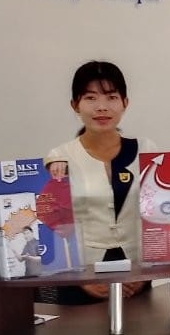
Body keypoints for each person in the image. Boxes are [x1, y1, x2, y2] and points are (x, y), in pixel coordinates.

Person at [45, 61, 155, 300]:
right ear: (75, 105)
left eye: (111, 97)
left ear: (125, 103)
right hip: (79, 275)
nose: (102, 107)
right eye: (91, 98)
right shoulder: (58, 158)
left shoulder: (146, 150)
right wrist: (82, 281)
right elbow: (52, 223)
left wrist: (143, 275)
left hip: (135, 272)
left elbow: (158, 215)